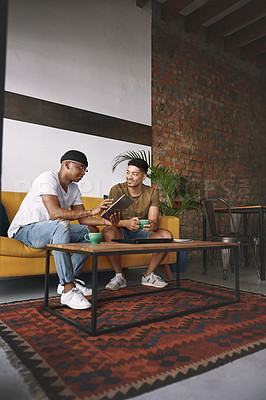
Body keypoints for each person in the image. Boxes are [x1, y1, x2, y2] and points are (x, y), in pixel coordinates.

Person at [8, 150, 116, 310]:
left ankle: (71, 279)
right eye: (81, 168)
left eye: (85, 170)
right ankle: (68, 289)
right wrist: (92, 211)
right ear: (67, 164)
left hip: (52, 230)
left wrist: (105, 221)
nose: (84, 173)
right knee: (62, 223)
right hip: (26, 230)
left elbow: (84, 219)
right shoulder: (47, 178)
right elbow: (55, 213)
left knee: (91, 232)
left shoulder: (74, 189)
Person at [103, 158, 173, 290]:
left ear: (143, 176)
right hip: (121, 230)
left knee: (167, 235)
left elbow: (154, 221)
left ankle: (148, 275)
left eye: (134, 174)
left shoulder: (151, 192)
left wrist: (152, 225)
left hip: (141, 231)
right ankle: (119, 276)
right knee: (108, 231)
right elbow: (110, 221)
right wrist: (127, 223)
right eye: (128, 172)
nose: (129, 177)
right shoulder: (117, 190)